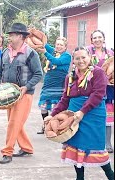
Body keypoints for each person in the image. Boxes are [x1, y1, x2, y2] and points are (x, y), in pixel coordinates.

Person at [45, 46, 114, 180]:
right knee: (75, 146)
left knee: (96, 146)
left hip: (93, 114)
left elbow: (98, 94)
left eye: (83, 57)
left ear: (89, 57)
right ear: (73, 60)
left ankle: (110, 175)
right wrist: (52, 115)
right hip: (73, 116)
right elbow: (65, 99)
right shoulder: (70, 77)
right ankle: (79, 177)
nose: (81, 61)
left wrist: (82, 111)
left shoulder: (98, 73)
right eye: (77, 58)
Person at [0, 23, 43, 164]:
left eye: (12, 35)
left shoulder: (31, 53)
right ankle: (27, 148)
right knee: (15, 122)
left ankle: (7, 152)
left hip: (24, 94)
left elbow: (39, 74)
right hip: (8, 94)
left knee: (14, 123)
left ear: (20, 36)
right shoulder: (5, 53)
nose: (9, 37)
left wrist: (26, 87)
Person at [36, 37, 71, 134]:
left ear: (65, 47)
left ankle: (55, 127)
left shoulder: (67, 56)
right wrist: (35, 34)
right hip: (48, 84)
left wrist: (45, 53)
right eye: (57, 44)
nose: (59, 46)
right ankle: (45, 125)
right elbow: (44, 44)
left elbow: (56, 62)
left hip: (59, 85)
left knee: (55, 107)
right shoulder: (53, 52)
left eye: (61, 45)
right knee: (44, 106)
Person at [87, 30, 114, 153]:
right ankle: (93, 142)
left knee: (108, 116)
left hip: (108, 89)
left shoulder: (110, 53)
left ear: (104, 39)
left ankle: (107, 143)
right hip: (91, 87)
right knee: (92, 114)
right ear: (91, 40)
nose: (97, 40)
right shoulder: (87, 52)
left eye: (100, 37)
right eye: (95, 38)